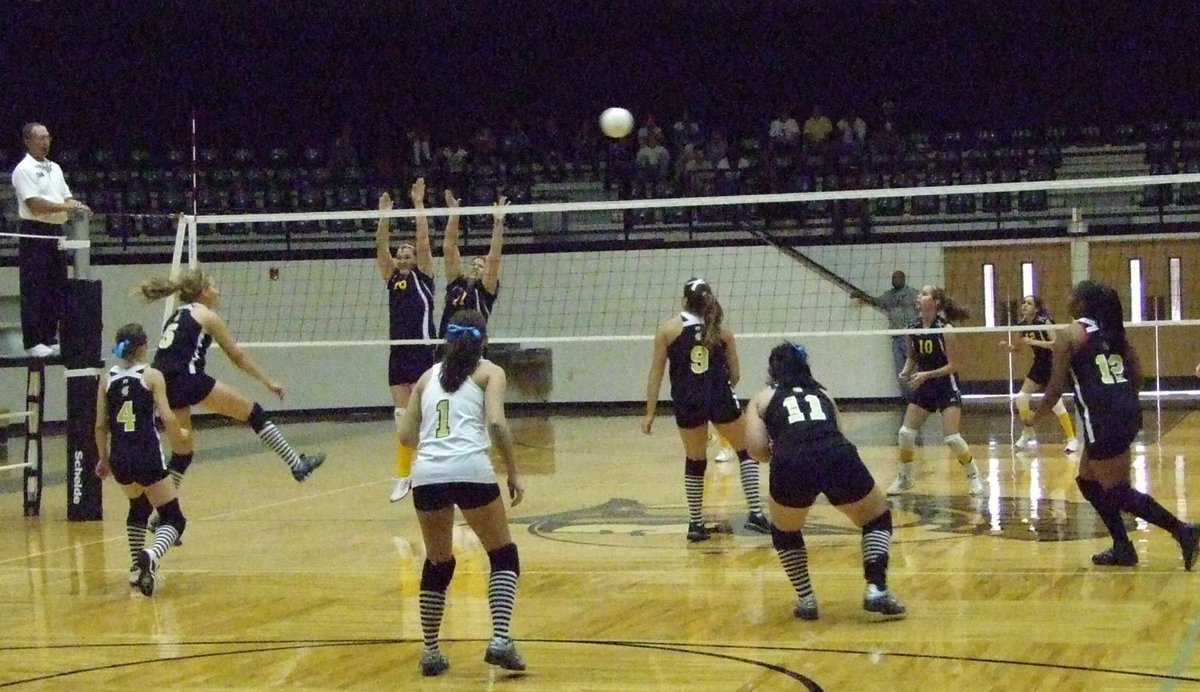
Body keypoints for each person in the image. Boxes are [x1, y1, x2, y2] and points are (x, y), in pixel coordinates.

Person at [397, 310, 526, 677]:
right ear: (483, 341)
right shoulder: (489, 372)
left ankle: (431, 651)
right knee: (503, 554)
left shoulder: (426, 377)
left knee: (439, 561)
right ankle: (500, 638)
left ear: (447, 341)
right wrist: (513, 472)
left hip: (428, 474)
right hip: (471, 469)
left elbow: (406, 436)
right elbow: (497, 422)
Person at [1038, 280, 1198, 569]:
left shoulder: (1069, 335)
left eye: (1071, 294)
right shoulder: (1113, 332)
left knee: (1117, 490)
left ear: (1081, 304)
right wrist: (1120, 400)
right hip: (1124, 411)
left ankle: (1183, 531)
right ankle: (1123, 547)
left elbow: (1055, 388)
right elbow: (1138, 377)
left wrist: (1033, 418)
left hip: (1103, 417)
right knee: (1087, 480)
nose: (1067, 296)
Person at [744, 342, 906, 620]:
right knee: (876, 518)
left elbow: (756, 450)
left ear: (772, 371)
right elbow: (839, 432)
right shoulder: (823, 395)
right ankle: (876, 588)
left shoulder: (762, 398)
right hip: (836, 454)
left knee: (785, 531)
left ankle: (806, 600)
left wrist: (786, 449)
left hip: (790, 462)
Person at [140, 268, 325, 492]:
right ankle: (297, 464)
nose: (217, 291)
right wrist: (267, 381)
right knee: (253, 412)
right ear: (204, 291)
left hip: (163, 384)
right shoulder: (206, 315)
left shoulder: (177, 315)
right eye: (214, 286)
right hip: (188, 380)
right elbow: (237, 356)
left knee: (182, 453)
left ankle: (163, 510)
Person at [642, 278, 770, 542]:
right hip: (718, 396)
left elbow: (656, 373)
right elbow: (735, 374)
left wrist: (650, 413)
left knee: (695, 460)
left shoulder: (668, 330)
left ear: (684, 301)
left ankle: (696, 524)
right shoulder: (722, 331)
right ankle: (756, 514)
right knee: (746, 451)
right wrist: (721, 389)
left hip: (687, 401)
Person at [94, 323, 188, 596]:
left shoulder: (107, 378)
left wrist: (103, 459)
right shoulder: (152, 376)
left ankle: (136, 570)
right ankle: (151, 555)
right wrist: (179, 435)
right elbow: (168, 416)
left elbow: (100, 425)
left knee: (138, 506)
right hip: (146, 454)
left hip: (120, 457)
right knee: (174, 518)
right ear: (144, 345)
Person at [887, 285, 984, 497]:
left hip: (946, 384)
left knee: (952, 438)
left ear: (936, 302)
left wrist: (926, 375)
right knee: (905, 433)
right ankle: (905, 478)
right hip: (925, 385)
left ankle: (973, 476)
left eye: (924, 294)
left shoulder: (945, 329)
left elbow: (954, 365)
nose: (919, 297)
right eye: (919, 294)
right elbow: (913, 356)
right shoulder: (912, 328)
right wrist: (905, 372)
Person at [378, 179, 437, 503]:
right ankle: (403, 475)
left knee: (424, 416)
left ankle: (430, 469)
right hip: (397, 353)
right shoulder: (391, 279)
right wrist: (384, 216)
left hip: (422, 352)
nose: (402, 258)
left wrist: (418, 204)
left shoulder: (424, 275)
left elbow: (424, 241)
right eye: (399, 255)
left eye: (407, 255)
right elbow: (380, 249)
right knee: (402, 419)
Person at [11, 122, 91, 358]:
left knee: (56, 285)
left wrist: (76, 205)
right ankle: (33, 340)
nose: (46, 142)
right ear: (28, 141)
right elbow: (35, 205)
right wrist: (65, 206)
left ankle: (48, 336)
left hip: (56, 230)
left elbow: (66, 196)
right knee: (34, 285)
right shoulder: (22, 169)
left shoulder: (55, 167)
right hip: (35, 230)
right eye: (40, 138)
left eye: (48, 137)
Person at [998, 295, 1079, 452]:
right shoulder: (1021, 325)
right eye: (1023, 303)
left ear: (1036, 308)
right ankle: (1028, 432)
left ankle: (1072, 440)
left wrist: (1034, 342)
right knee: (1021, 399)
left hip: (1053, 363)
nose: (1024, 306)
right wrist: (1007, 347)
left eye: (1029, 303)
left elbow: (1056, 344)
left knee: (1056, 404)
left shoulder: (1044, 322)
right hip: (1039, 364)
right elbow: (1018, 349)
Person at [438, 193, 507, 337]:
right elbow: (449, 247)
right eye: (473, 264)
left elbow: (493, 258)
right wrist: (454, 215)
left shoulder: (485, 291)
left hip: (473, 347)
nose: (475, 267)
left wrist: (498, 224)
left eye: (481, 266)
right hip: (448, 345)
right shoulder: (457, 283)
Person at [857, 270, 918, 401]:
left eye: (897, 278)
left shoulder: (912, 293)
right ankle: (907, 399)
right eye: (893, 278)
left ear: (903, 279)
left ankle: (919, 398)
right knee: (900, 371)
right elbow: (875, 301)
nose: (895, 280)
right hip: (896, 337)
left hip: (911, 336)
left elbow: (923, 307)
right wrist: (861, 296)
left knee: (914, 369)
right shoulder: (889, 296)